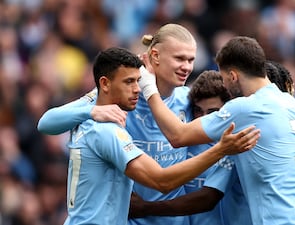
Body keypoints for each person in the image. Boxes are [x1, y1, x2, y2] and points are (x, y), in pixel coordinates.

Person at [138, 36, 295, 225]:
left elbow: (178, 136)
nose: (226, 87)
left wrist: (149, 86)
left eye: (223, 79)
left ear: (233, 76)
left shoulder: (246, 108)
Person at [55, 46, 259, 225]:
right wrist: (221, 148)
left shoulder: (94, 121)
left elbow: (207, 197)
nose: (137, 89)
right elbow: (161, 181)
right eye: (129, 82)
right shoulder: (106, 130)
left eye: (139, 81)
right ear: (105, 84)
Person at [37, 23, 199, 225]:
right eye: (179, 59)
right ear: (155, 56)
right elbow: (46, 123)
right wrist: (92, 110)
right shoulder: (119, 96)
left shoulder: (188, 99)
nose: (187, 67)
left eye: (191, 60)